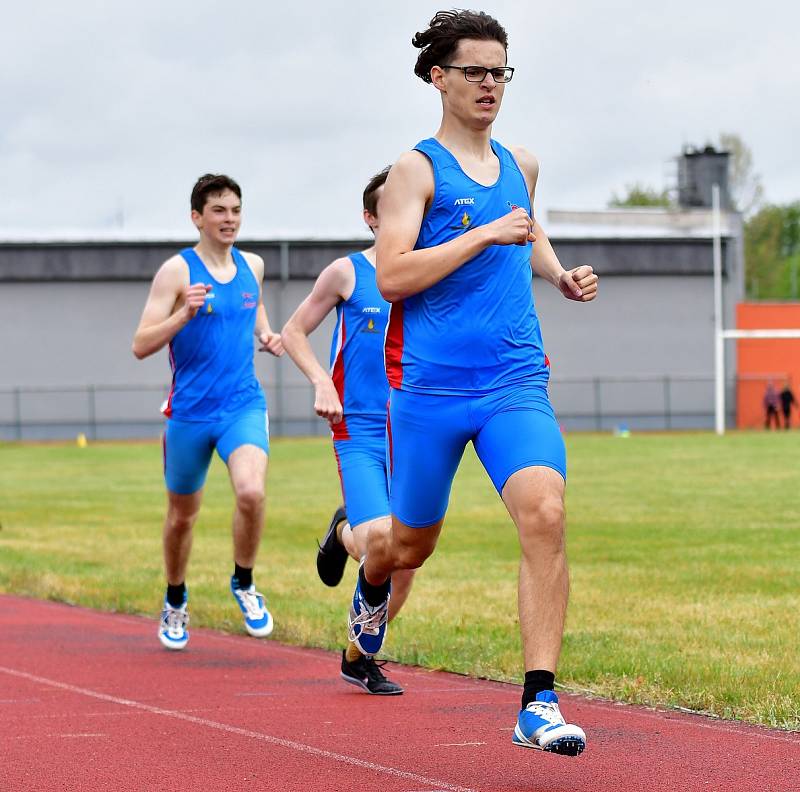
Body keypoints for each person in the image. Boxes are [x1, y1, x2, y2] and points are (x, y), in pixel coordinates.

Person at [345, 10, 598, 755]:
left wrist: (556, 274)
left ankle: (538, 701)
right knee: (408, 549)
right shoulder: (414, 172)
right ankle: (371, 576)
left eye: (502, 72)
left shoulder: (522, 162)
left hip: (514, 380)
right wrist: (481, 233)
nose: (492, 85)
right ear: (439, 78)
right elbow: (390, 275)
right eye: (477, 72)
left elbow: (528, 226)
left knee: (545, 512)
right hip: (430, 393)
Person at [132, 173, 284, 650]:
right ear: (197, 217)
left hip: (242, 403)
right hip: (190, 413)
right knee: (182, 517)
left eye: (235, 209)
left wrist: (265, 333)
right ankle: (175, 598)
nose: (229, 219)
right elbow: (140, 344)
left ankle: (243, 582)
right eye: (219, 210)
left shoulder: (252, 265)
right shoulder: (177, 272)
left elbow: (252, 307)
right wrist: (182, 316)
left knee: (252, 493)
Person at [281, 167, 415, 695]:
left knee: (407, 557)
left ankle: (358, 656)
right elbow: (294, 331)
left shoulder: (427, 273)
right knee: (377, 544)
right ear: (370, 217)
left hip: (412, 430)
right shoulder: (346, 273)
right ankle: (343, 532)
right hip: (355, 428)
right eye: (391, 209)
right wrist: (321, 382)